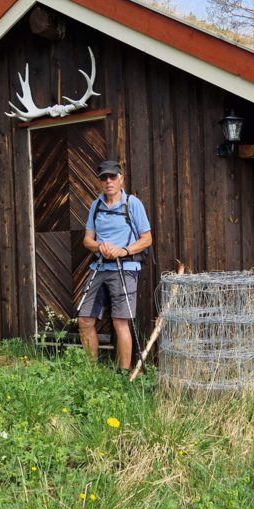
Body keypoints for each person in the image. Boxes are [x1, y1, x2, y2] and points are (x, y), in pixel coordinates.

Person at [77, 160, 152, 373]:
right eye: (104, 178)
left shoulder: (132, 203)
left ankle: (123, 374)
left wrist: (123, 250)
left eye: (112, 177)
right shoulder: (96, 205)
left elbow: (147, 239)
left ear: (121, 179)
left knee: (120, 322)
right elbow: (87, 240)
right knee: (84, 319)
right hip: (99, 267)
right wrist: (100, 246)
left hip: (125, 267)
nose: (108, 181)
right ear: (100, 181)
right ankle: (92, 372)